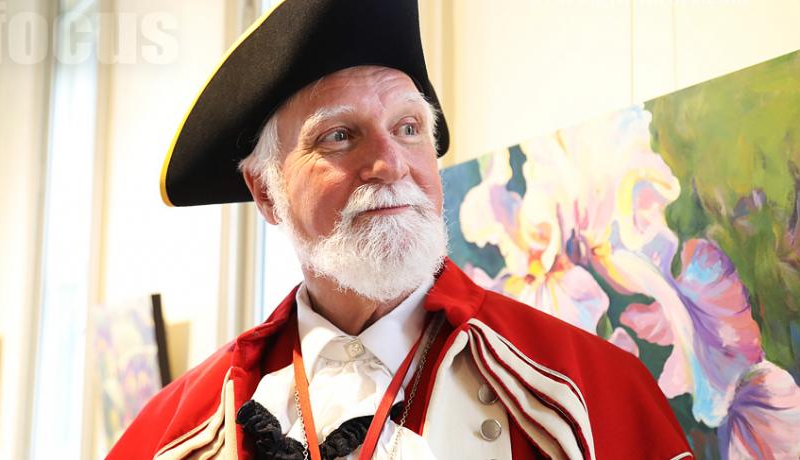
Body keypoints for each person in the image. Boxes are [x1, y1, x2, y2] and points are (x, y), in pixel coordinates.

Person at [110, 0, 693, 458]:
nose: (390, 162)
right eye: (338, 135)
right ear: (267, 192)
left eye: (409, 128)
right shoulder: (178, 431)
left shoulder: (592, 391)